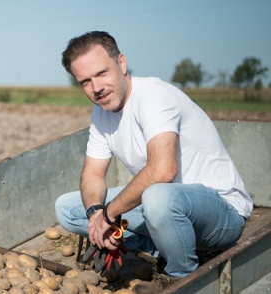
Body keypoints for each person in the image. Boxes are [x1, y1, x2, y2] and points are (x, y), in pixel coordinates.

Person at [54, 31, 253, 286]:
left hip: (220, 214)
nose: (96, 88)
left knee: (157, 196)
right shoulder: (102, 112)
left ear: (122, 63)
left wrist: (109, 216)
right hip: (162, 208)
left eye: (102, 73)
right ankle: (160, 246)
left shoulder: (152, 96)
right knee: (68, 207)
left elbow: (163, 171)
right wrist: (96, 213)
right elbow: (93, 174)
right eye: (85, 81)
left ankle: (181, 279)